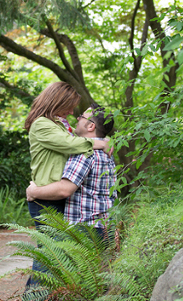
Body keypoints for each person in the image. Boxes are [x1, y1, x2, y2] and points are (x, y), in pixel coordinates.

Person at [23, 82, 109, 289]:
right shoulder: (41, 124)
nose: (71, 112)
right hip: (46, 198)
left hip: (58, 196)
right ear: (57, 102)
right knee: (50, 256)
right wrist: (100, 142)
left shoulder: (59, 124)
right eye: (69, 107)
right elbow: (69, 144)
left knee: (54, 256)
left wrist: (103, 137)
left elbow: (77, 139)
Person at [26, 102, 116, 244]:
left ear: (91, 126)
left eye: (81, 117)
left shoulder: (85, 153)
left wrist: (33, 192)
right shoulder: (107, 151)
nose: (76, 117)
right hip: (106, 226)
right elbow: (67, 136)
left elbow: (64, 190)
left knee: (51, 254)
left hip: (86, 228)